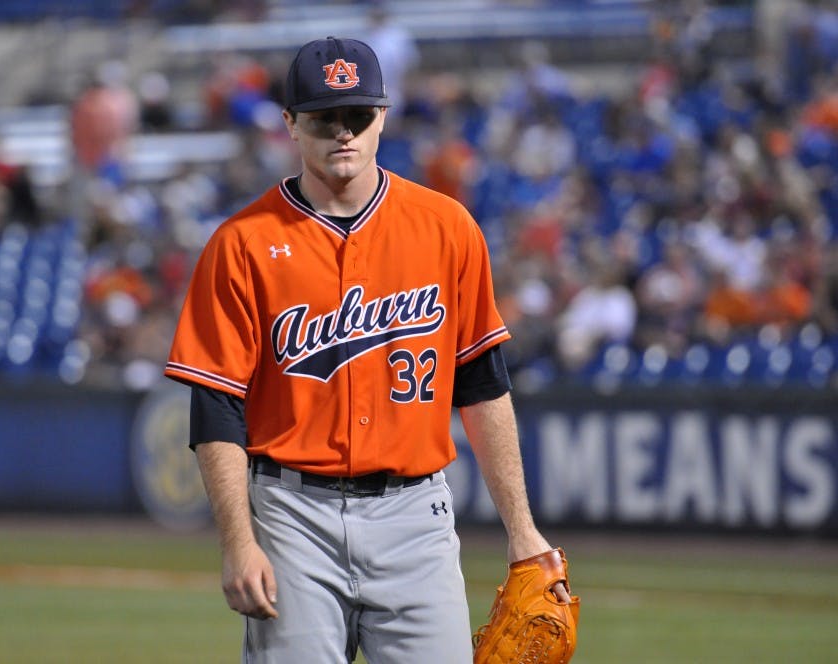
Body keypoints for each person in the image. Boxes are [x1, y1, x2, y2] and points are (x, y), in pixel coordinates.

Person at [165, 36, 572, 663]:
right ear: (291, 125)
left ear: (383, 116)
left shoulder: (447, 228)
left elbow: (484, 386)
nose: (343, 132)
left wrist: (522, 531)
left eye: (358, 114)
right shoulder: (240, 244)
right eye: (325, 116)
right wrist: (238, 541)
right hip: (291, 515)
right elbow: (216, 406)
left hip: (416, 515)